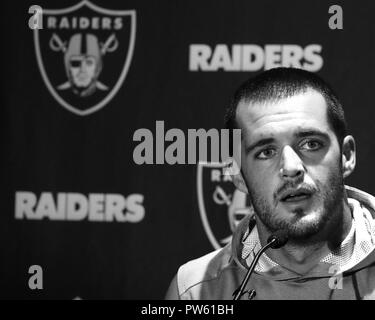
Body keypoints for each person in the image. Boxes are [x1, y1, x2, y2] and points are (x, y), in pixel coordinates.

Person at [165, 67, 375, 300]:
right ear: (236, 174)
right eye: (266, 152)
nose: (291, 168)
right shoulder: (195, 288)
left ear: (346, 155)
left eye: (311, 144)